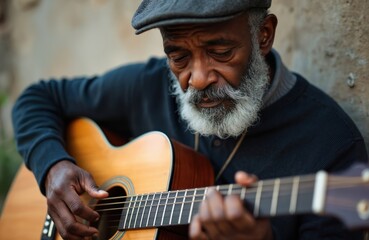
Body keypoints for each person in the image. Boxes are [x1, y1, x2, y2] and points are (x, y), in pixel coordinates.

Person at [11, 0, 368, 239]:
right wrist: (52, 167)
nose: (197, 79)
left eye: (220, 52)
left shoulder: (332, 147)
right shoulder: (148, 86)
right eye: (179, 57)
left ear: (263, 36)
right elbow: (38, 98)